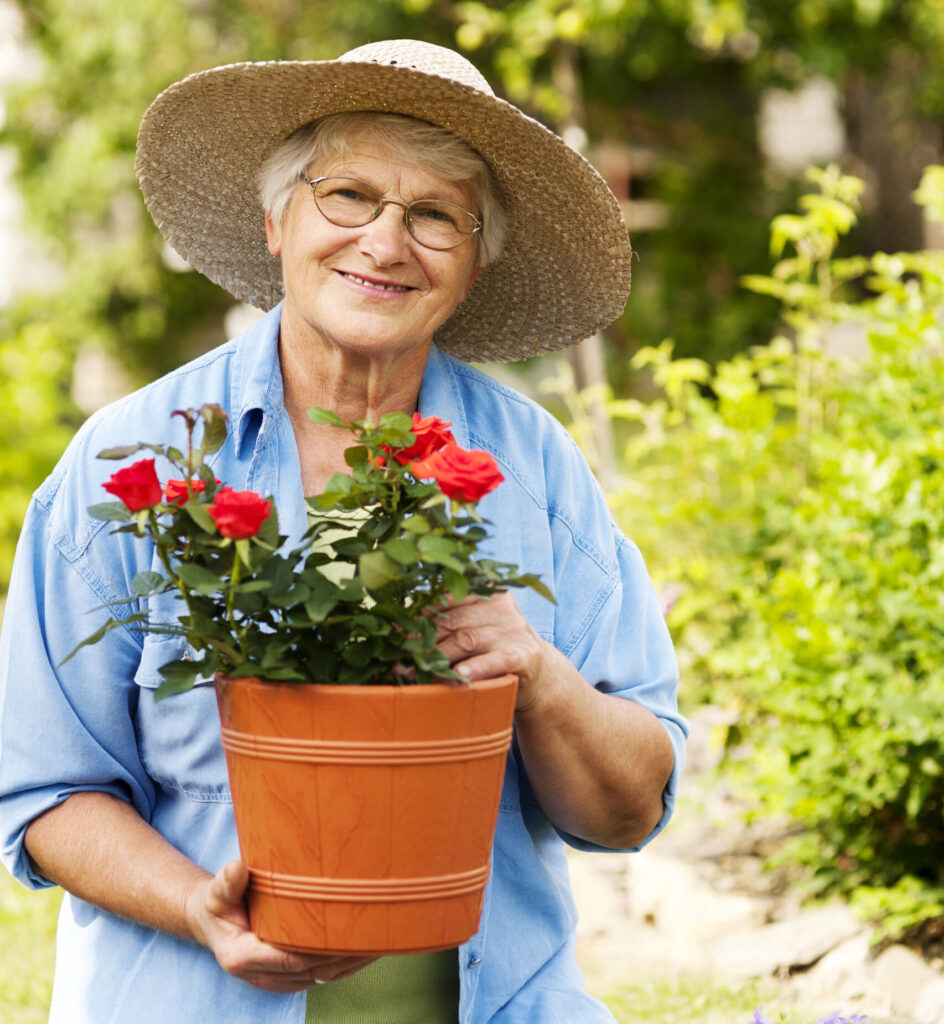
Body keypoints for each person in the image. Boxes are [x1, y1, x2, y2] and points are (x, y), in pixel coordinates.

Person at [0, 39, 687, 1024]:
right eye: (349, 196)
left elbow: (626, 809)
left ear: (474, 263)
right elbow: (45, 791)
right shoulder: (132, 463)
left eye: (435, 214)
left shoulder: (535, 472)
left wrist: (540, 677)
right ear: (277, 221)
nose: (385, 241)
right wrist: (198, 910)